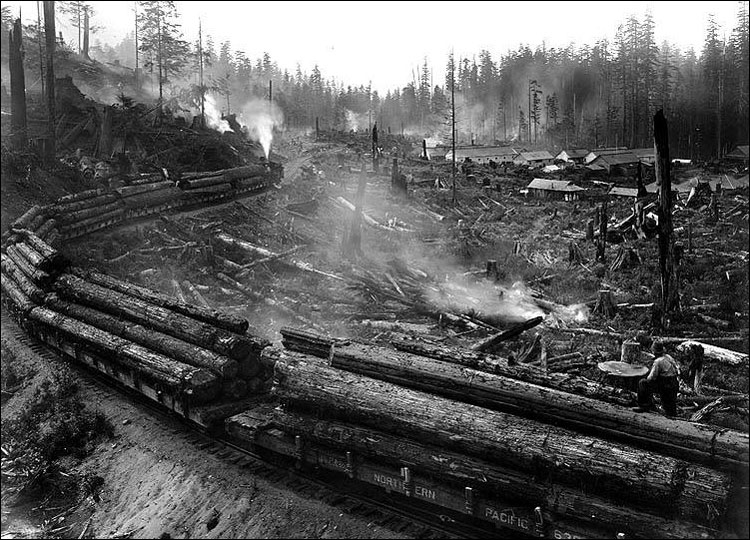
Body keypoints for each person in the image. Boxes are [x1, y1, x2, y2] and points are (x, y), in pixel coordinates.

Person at [633, 340, 680, 416]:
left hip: (665, 384)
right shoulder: (668, 357)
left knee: (643, 383)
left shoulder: (658, 362)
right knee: (670, 406)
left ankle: (644, 405)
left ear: (654, 352)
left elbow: (651, 378)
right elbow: (676, 369)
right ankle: (672, 414)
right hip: (674, 383)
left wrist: (646, 376)